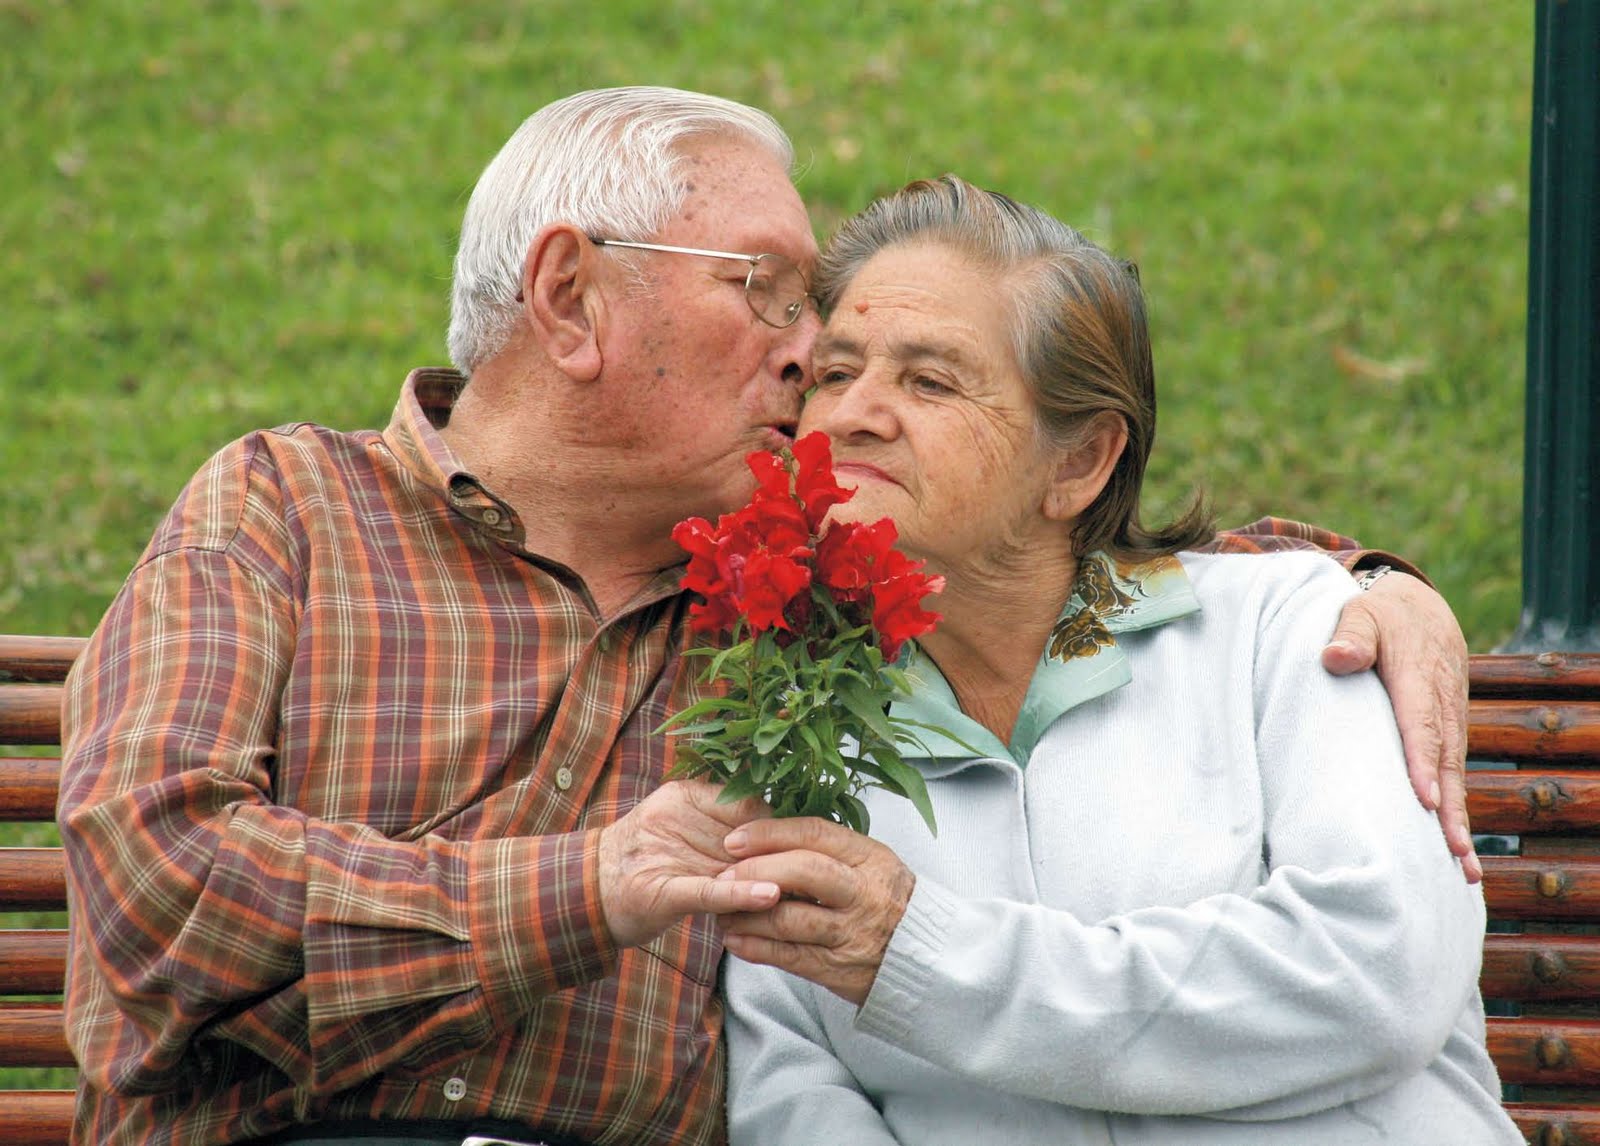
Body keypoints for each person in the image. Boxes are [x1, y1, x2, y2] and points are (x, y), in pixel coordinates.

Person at [57, 88, 1473, 1146]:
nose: (818, 371)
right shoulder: (285, 511)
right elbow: (157, 892)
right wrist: (595, 885)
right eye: (777, 301)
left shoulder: (791, 606)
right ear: (570, 297)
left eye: (846, 330)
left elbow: (1043, 544)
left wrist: (1362, 583)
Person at [718, 175, 1519, 1143]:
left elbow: (1379, 970)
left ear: (1078, 463)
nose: (853, 414)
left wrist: (921, 954)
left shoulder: (1286, 629)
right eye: (836, 373)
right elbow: (790, 1095)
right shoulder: (800, 727)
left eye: (928, 382)